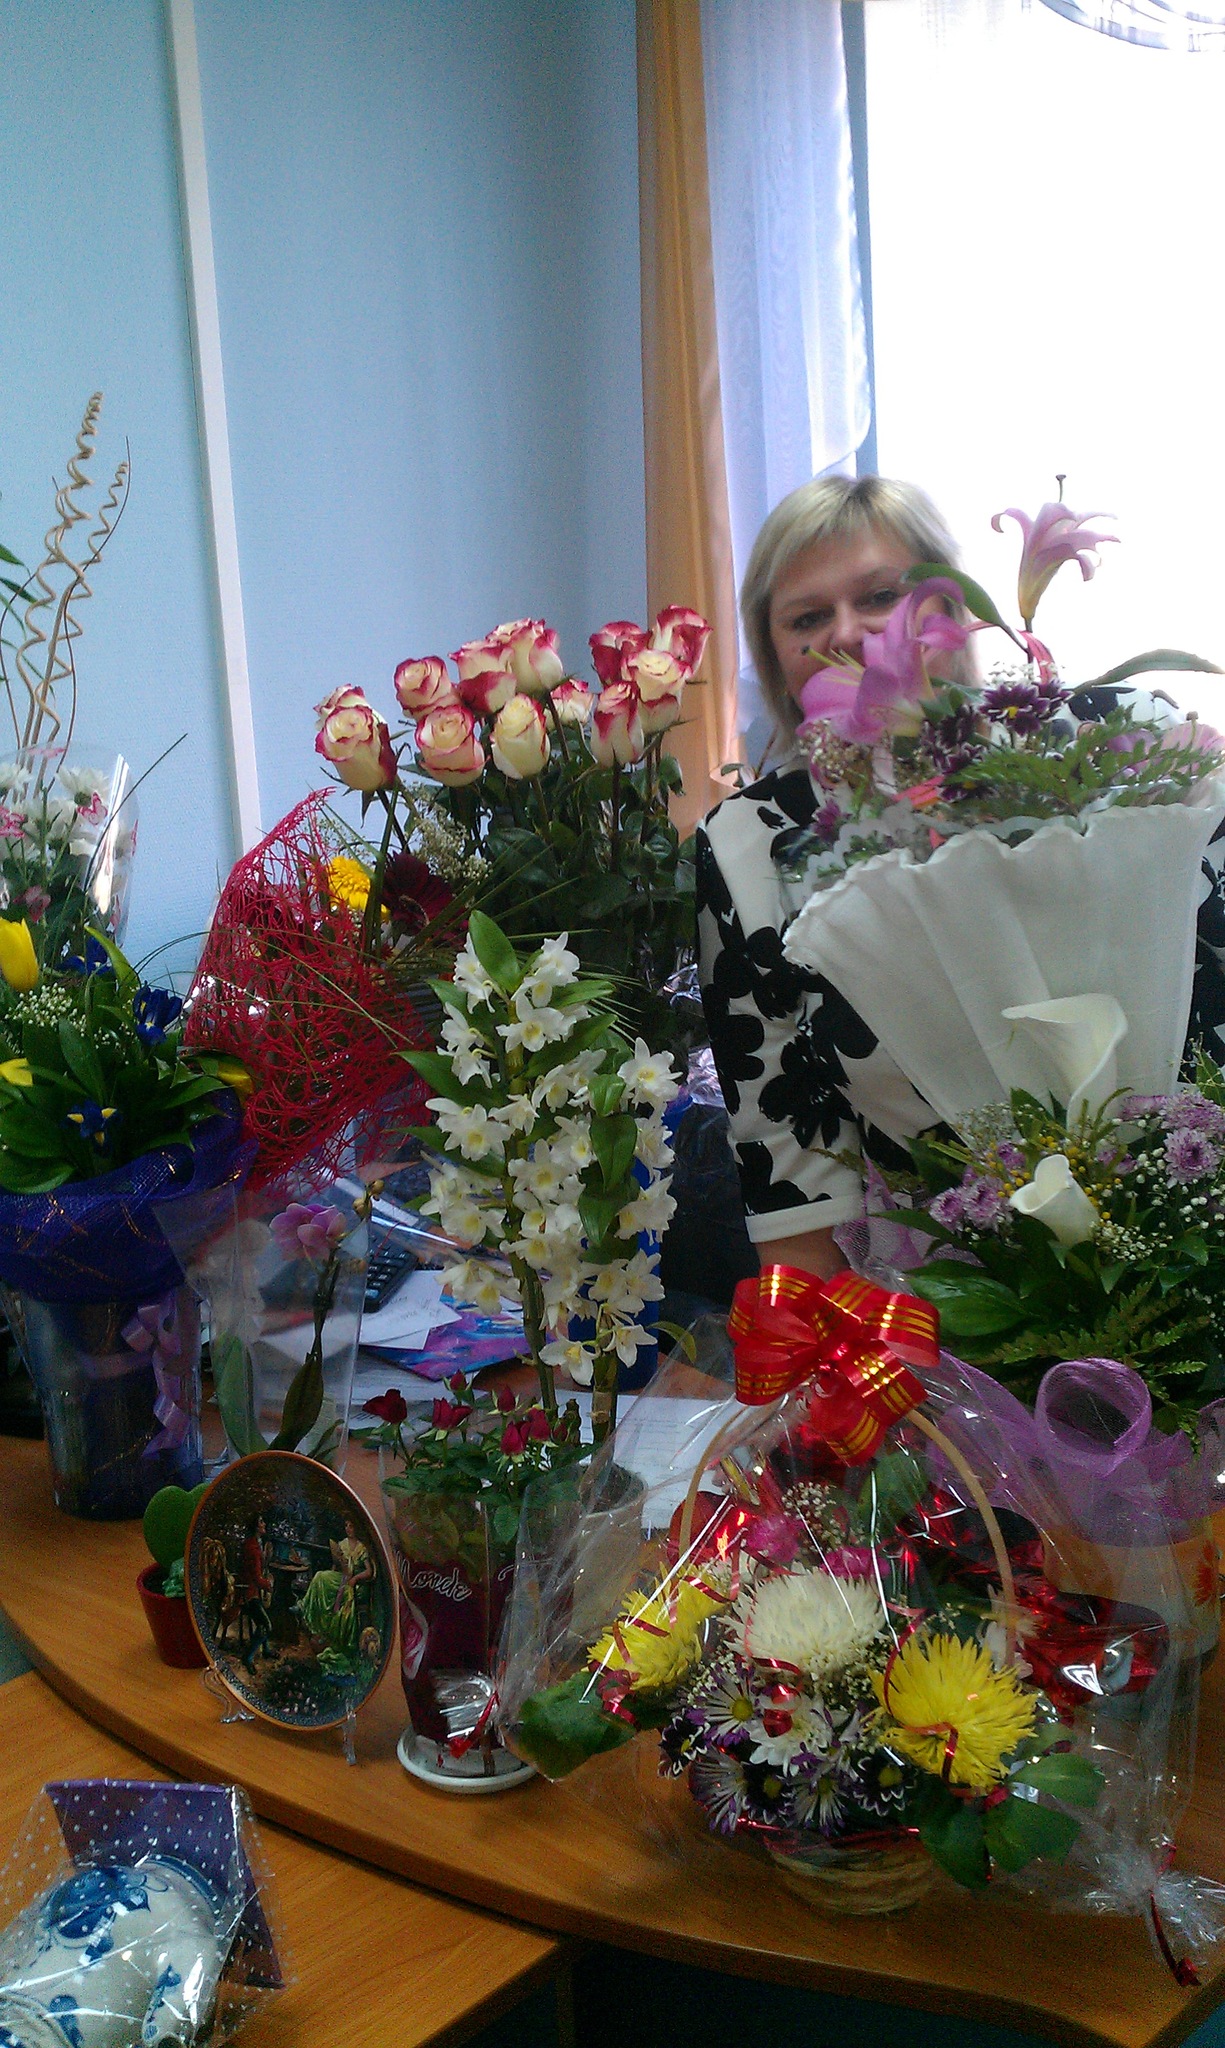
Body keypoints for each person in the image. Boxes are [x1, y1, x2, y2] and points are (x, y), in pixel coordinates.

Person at [696, 473, 1225, 1282]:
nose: (849, 633)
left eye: (882, 596)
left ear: (951, 605)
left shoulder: (1120, 738)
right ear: (773, 655)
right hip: (950, 1293)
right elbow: (789, 1172)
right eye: (806, 618)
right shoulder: (749, 844)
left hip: (1195, 1222)